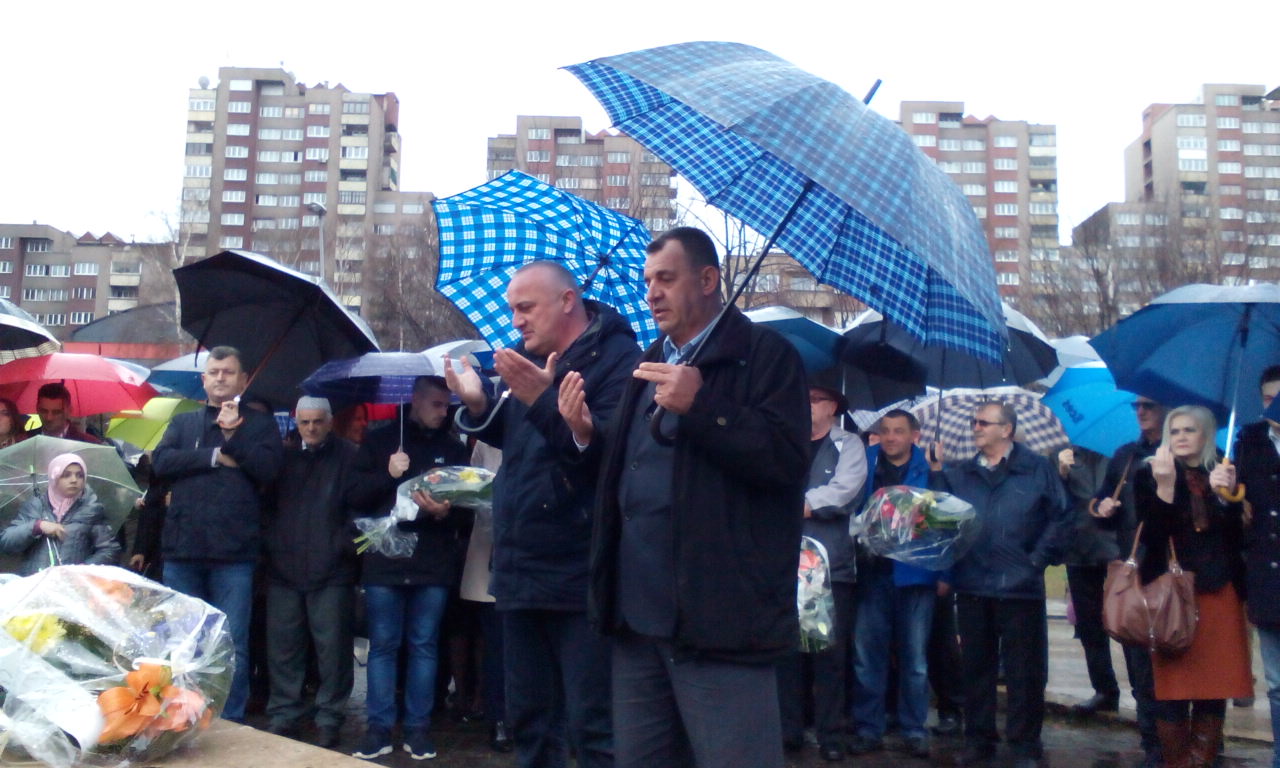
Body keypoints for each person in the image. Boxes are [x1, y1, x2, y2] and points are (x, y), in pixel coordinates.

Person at [559, 227, 810, 768]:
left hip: (719, 621)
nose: (652, 293)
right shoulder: (649, 361)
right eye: (648, 280)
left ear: (708, 279)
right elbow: (626, 472)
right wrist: (584, 435)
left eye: (666, 279)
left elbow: (786, 463)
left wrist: (703, 406)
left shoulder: (766, 357)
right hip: (637, 617)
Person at [446, 259, 639, 768]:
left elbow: (605, 459)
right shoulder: (534, 360)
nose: (516, 321)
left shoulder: (619, 360)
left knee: (592, 725)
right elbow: (519, 437)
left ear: (567, 300)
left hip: (579, 572)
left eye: (526, 307)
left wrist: (543, 400)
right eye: (513, 309)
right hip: (520, 566)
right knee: (529, 720)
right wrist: (477, 404)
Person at [928, 401, 1070, 768]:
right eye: (974, 422)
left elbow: (1059, 518)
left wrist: (1036, 562)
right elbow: (941, 517)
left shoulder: (1036, 468)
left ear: (1006, 430)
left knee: (1025, 671)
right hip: (973, 583)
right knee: (976, 670)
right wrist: (937, 473)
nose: (975, 428)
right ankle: (978, 741)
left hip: (1020, 586)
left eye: (983, 423)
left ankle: (1024, 745)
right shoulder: (961, 472)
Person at [152, 346, 284, 723]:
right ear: (204, 380)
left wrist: (233, 438)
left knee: (231, 641)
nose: (220, 378)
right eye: (214, 372)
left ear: (243, 380)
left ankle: (231, 719)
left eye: (228, 372)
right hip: (183, 550)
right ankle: (182, 717)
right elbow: (161, 463)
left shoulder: (260, 425)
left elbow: (270, 471)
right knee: (183, 641)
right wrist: (212, 456)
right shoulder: (184, 423)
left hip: (234, 553)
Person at [347, 376, 470, 761]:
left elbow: (467, 511)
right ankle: (378, 728)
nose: (443, 412)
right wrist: (388, 474)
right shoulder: (380, 439)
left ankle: (418, 728)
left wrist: (444, 512)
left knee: (424, 645)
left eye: (446, 405)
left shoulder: (453, 447)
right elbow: (353, 496)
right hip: (385, 560)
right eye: (436, 404)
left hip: (432, 562)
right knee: (384, 645)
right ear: (415, 400)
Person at [1135, 405, 1249, 768]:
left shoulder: (1223, 470)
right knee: (1172, 687)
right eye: (1175, 430)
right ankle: (1176, 761)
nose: (1181, 437)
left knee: (1213, 685)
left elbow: (1235, 537)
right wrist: (1165, 488)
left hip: (1218, 590)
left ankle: (1201, 761)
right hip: (1171, 594)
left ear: (1206, 435)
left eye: (1190, 430)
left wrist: (1223, 497)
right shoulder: (1151, 472)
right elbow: (1152, 536)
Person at [262, 396, 358, 749]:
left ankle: (330, 716)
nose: (312, 428)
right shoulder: (283, 458)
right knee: (283, 648)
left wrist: (341, 546)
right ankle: (284, 713)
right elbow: (266, 507)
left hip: (332, 569)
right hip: (284, 567)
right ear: (296, 422)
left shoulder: (350, 456)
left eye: (318, 421)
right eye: (305, 422)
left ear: (330, 421)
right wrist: (273, 544)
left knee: (333, 651)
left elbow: (360, 507)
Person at [777, 384, 866, 761]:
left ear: (833, 407)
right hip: (783, 561)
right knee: (786, 651)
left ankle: (831, 733)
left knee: (829, 653)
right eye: (804, 398)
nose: (807, 404)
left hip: (829, 565)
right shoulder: (785, 439)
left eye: (816, 399)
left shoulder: (849, 444)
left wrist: (800, 504)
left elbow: (845, 490)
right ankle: (789, 730)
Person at [850, 409, 942, 760]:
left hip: (915, 574)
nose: (891, 437)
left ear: (914, 435)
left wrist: (944, 575)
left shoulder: (930, 467)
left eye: (898, 431)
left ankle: (913, 729)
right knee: (867, 657)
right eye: (886, 430)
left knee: (914, 659)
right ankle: (867, 727)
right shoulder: (865, 460)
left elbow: (945, 523)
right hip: (872, 572)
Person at [1093, 395, 1167, 767]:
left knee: (1174, 657)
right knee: (1139, 662)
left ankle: (1189, 743)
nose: (1141, 412)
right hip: (1134, 568)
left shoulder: (1187, 452)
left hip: (1173, 570)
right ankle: (1152, 743)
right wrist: (1102, 507)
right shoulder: (1126, 455)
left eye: (1149, 405)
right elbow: (1099, 503)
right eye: (1136, 406)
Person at [1058, 445, 1121, 718]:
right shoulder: (1064, 455)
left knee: (1130, 621)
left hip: (1118, 548)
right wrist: (1060, 475)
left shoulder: (1124, 454)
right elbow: (1055, 505)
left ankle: (1144, 695)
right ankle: (1104, 689)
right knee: (1089, 625)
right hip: (1080, 549)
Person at [1238, 365, 1280, 768]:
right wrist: (1230, 497)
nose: (1274, 406)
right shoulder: (1249, 441)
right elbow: (1238, 507)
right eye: (1268, 398)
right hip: (1268, 576)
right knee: (1277, 682)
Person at [1, 453, 119, 574]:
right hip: (36, 581)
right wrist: (37, 526)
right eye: (66, 475)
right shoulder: (36, 506)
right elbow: (6, 542)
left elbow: (109, 550)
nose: (74, 480)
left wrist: (84, 569)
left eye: (79, 475)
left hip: (72, 582)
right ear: (55, 477)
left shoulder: (91, 510)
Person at [24, 382, 102, 443]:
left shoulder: (89, 443)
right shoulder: (24, 440)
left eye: (56, 412)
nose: (49, 418)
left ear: (69, 411)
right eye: (44, 411)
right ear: (37, 409)